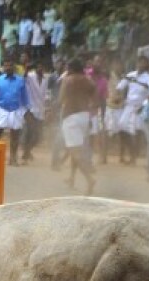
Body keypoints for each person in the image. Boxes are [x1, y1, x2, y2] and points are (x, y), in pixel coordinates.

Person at [59, 59, 97, 194]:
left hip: (71, 117)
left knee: (75, 152)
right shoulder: (88, 80)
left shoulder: (68, 80)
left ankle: (90, 179)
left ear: (72, 68)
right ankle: (72, 178)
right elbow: (94, 97)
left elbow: (60, 98)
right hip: (84, 116)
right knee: (77, 149)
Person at [0, 56, 30, 167]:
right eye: (6, 65)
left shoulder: (20, 80)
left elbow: (25, 97)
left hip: (16, 110)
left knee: (15, 135)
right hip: (2, 110)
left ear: (14, 67)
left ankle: (13, 159)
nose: (8, 67)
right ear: (3, 67)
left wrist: (27, 109)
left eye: (10, 65)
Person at [115, 56, 149, 166]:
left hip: (141, 108)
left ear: (147, 65)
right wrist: (119, 97)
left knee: (136, 131)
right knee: (121, 127)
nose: (141, 65)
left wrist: (145, 105)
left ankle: (134, 157)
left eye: (144, 63)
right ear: (137, 63)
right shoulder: (130, 75)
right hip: (128, 105)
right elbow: (119, 87)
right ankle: (132, 152)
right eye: (140, 62)